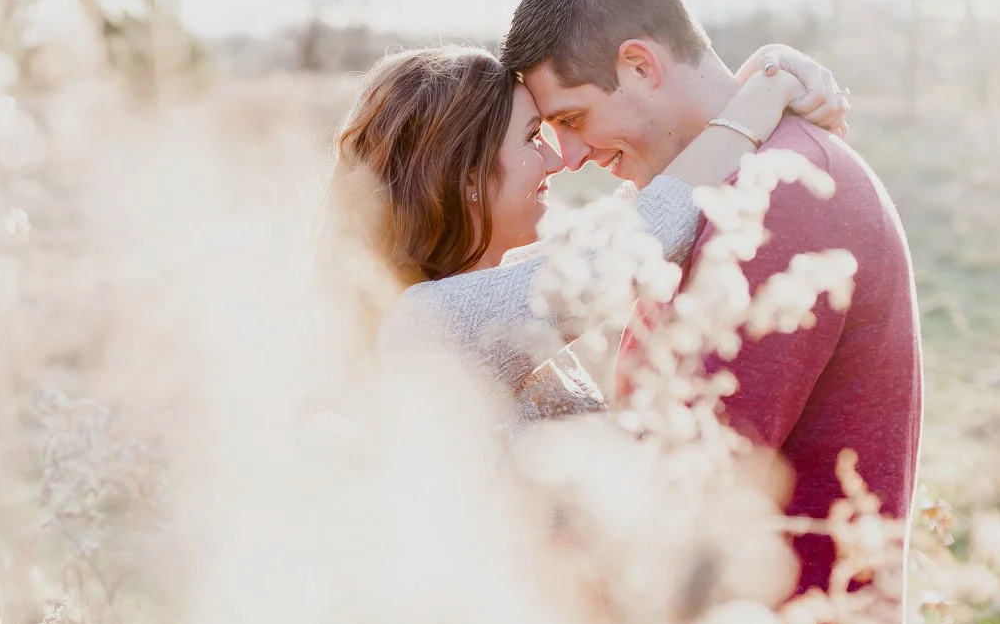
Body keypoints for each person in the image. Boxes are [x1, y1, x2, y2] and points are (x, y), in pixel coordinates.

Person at [502, 0, 921, 624]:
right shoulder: (740, 183)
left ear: (641, 64)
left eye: (573, 118)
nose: (572, 156)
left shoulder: (771, 204)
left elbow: (680, 503)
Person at [336, 44, 848, 424]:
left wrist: (761, 74)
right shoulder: (429, 322)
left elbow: (647, 206)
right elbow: (647, 232)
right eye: (533, 137)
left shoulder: (499, 279)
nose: (557, 158)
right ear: (468, 176)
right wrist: (765, 92)